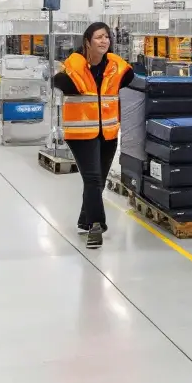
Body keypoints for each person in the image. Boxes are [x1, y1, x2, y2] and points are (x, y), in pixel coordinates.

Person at [52, 22, 133, 248]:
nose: (104, 41)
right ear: (87, 41)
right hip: (80, 133)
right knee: (93, 178)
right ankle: (96, 225)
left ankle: (83, 219)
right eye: (98, 37)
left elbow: (134, 81)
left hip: (107, 132)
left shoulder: (115, 67)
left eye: (106, 37)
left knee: (99, 180)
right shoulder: (73, 67)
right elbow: (58, 81)